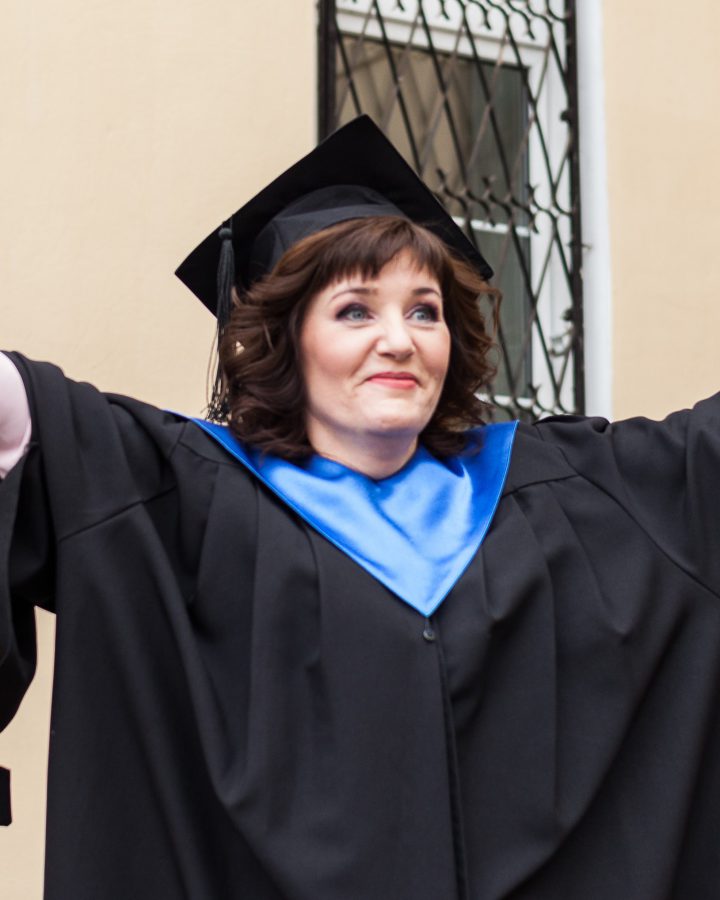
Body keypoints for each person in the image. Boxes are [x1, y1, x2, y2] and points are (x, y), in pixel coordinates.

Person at [1, 116, 720, 900]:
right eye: (355, 311)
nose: (400, 340)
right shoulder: (186, 494)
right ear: (284, 340)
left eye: (424, 310)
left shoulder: (565, 486)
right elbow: (25, 421)